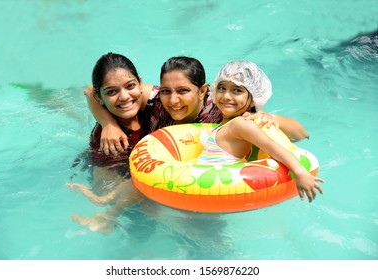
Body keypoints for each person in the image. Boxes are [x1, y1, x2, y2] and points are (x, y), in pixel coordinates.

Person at [84, 56, 309, 156]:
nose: (173, 101)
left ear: (203, 91)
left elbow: (300, 134)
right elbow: (92, 90)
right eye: (167, 91)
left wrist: (268, 118)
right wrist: (108, 123)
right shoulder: (154, 98)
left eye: (183, 91)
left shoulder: (222, 110)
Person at [197, 60, 324, 202]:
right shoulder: (224, 123)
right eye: (221, 88)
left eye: (237, 90)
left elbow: (272, 147)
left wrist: (300, 172)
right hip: (206, 190)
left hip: (217, 193)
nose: (226, 96)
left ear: (253, 100)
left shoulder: (240, 124)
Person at [67, 52, 147, 233]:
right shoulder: (109, 138)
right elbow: (104, 176)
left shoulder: (147, 109)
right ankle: (105, 218)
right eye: (111, 92)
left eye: (130, 86)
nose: (124, 97)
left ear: (140, 84)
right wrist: (108, 203)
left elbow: (88, 90)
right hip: (109, 172)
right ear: (99, 97)